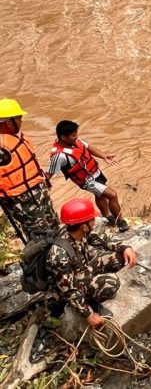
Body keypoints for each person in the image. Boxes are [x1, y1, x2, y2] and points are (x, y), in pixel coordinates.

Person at [46, 199, 137, 329]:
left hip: (82, 270)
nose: (94, 221)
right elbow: (68, 291)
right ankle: (90, 301)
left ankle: (92, 290)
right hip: (68, 286)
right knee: (112, 283)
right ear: (84, 225)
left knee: (120, 258)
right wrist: (88, 314)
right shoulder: (59, 256)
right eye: (92, 219)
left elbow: (104, 242)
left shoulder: (79, 231)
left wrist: (124, 247)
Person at [46, 120, 128, 232]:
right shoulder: (59, 156)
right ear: (63, 137)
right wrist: (43, 187)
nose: (76, 137)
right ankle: (120, 221)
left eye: (76, 134)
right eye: (73, 135)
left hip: (95, 172)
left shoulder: (76, 142)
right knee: (112, 195)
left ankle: (107, 216)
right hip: (87, 181)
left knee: (100, 195)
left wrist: (104, 156)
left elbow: (89, 148)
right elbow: (49, 173)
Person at [0, 99, 60, 243]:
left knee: (54, 226)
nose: (21, 121)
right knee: (40, 236)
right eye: (19, 118)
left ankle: (60, 254)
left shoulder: (14, 137)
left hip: (37, 191)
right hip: (21, 200)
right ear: (9, 122)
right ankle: (43, 262)